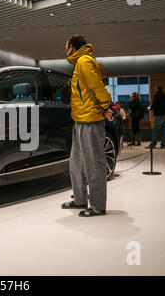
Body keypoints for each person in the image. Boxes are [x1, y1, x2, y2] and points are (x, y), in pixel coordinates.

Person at [61, 34, 112, 217]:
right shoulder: (79, 64)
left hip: (90, 120)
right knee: (76, 163)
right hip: (80, 120)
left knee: (93, 164)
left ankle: (97, 206)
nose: (65, 51)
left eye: (66, 47)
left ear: (73, 47)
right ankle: (80, 199)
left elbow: (97, 86)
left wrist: (107, 106)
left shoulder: (84, 62)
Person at [147, 85, 165, 149]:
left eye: (155, 89)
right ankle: (163, 145)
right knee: (164, 130)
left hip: (158, 115)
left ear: (157, 89)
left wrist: (150, 108)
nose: (155, 90)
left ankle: (153, 144)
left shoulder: (156, 96)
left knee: (156, 130)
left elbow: (154, 105)